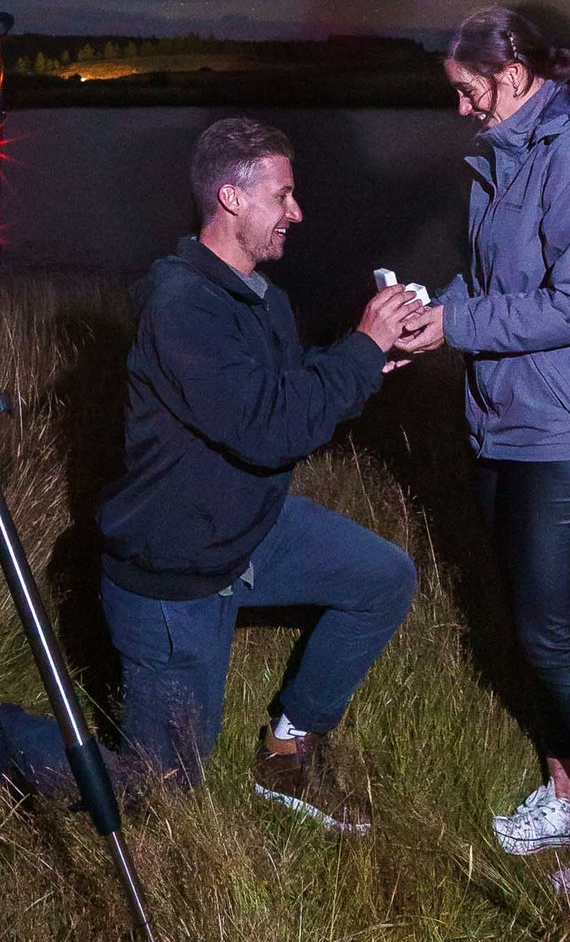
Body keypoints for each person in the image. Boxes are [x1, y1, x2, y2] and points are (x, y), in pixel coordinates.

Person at [97, 114, 435, 830]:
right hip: (177, 572)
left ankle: (287, 749)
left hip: (245, 528)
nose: (297, 212)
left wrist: (371, 359)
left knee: (382, 577)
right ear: (231, 198)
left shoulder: (260, 296)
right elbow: (271, 427)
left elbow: (284, 394)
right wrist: (362, 349)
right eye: (283, 196)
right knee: (160, 791)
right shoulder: (183, 306)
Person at [404, 7, 570, 859]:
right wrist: (425, 319)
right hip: (502, 422)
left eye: (468, 91)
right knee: (522, 622)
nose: (461, 108)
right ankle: (568, 793)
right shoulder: (498, 161)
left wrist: (456, 327)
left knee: (550, 629)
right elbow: (487, 278)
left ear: (511, 73)